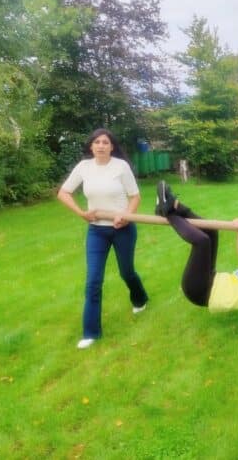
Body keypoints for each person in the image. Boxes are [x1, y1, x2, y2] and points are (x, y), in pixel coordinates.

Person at [57, 128, 148, 349]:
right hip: (96, 231)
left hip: (122, 229)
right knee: (93, 281)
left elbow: (135, 196)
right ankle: (91, 332)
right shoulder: (84, 167)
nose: (101, 145)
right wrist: (81, 213)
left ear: (111, 146)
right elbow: (63, 193)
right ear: (91, 146)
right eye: (97, 142)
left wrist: (126, 217)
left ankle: (140, 298)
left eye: (105, 142)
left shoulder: (121, 166)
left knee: (127, 272)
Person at [155, 181, 238, 311]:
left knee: (202, 242)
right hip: (210, 278)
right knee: (211, 231)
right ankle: (175, 205)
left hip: (200, 291)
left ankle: (167, 212)